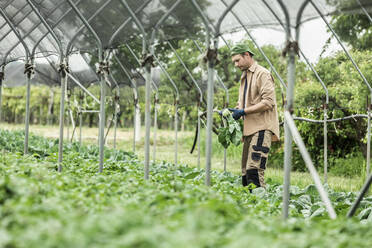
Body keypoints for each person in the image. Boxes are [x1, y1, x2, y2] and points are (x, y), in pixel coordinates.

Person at [229, 43, 280, 189]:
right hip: (249, 129)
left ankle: (262, 207)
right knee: (245, 173)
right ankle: (250, 209)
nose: (236, 65)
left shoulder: (262, 74)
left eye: (237, 60)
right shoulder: (244, 76)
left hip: (262, 128)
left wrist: (244, 111)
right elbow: (245, 104)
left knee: (254, 171)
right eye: (234, 62)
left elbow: (268, 102)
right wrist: (235, 111)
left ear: (246, 55)